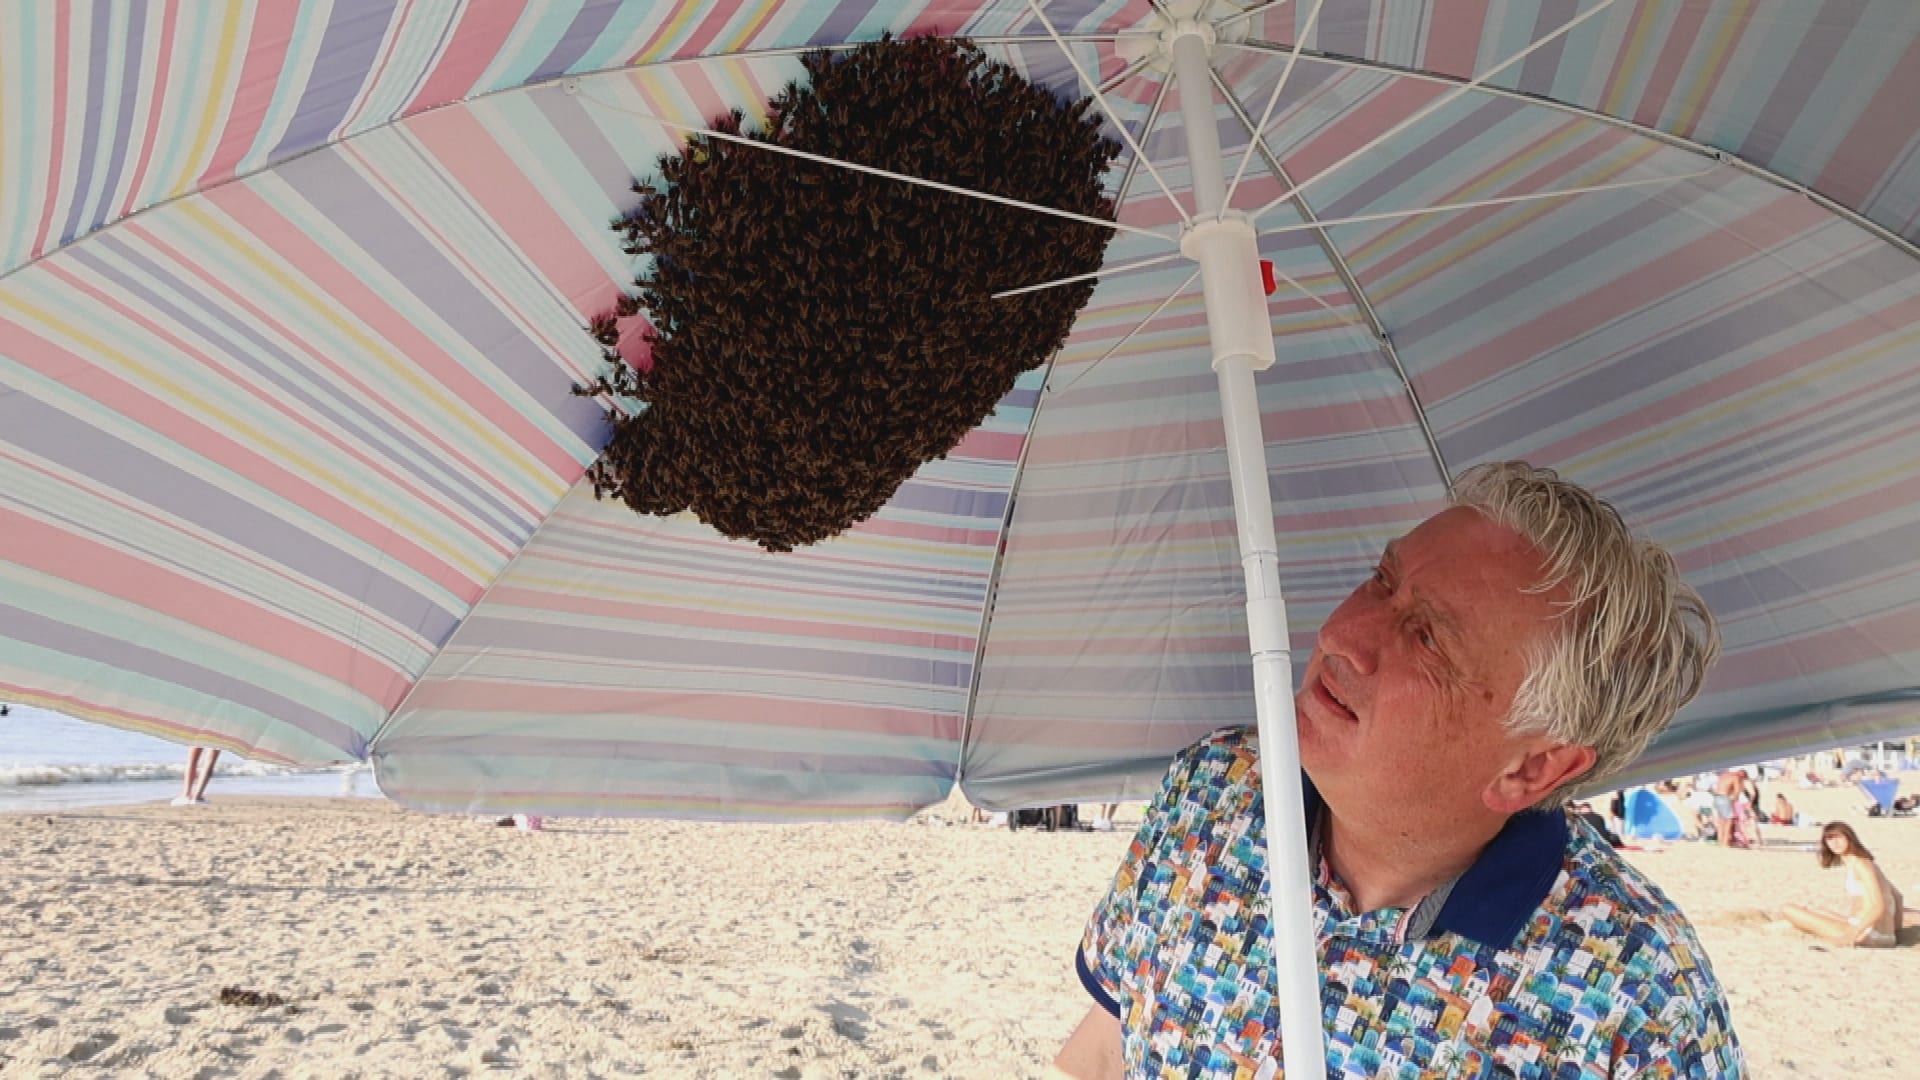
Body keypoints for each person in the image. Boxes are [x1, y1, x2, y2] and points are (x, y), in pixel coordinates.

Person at [1050, 462, 1741, 1079]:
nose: (1342, 634)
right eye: (1382, 580)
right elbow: (1108, 1049)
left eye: (1428, 637)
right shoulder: (1213, 791)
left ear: (1532, 769)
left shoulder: (1639, 1001)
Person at [1781, 822, 1904, 948]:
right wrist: (1895, 932)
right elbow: (1898, 896)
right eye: (1830, 839)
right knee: (1820, 910)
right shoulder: (1866, 863)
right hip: (1880, 934)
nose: (1835, 843)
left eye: (1839, 837)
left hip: (1869, 934)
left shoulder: (1861, 865)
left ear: (1849, 838)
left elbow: (1878, 905)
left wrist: (1852, 933)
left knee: (1788, 909)